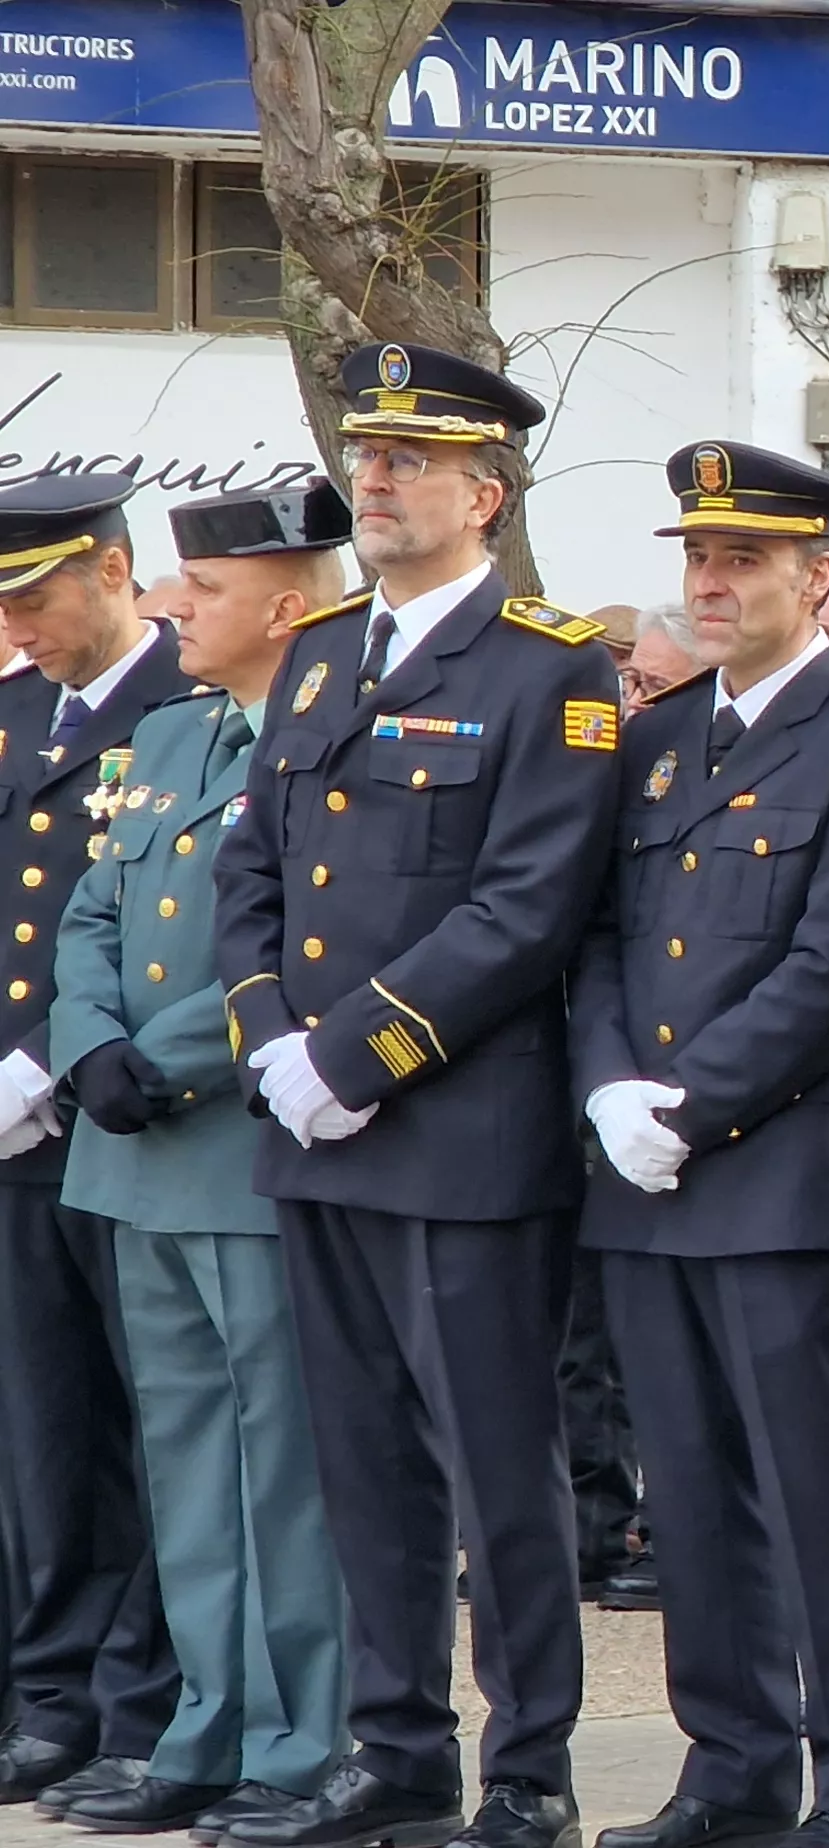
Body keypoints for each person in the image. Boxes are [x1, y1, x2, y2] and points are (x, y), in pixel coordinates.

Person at [211, 341, 617, 1848]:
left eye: (408, 462)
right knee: (362, 1460)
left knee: (495, 1467)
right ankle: (395, 1749)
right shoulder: (321, 653)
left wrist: (353, 1055)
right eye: (366, 458)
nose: (372, 481)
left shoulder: (548, 660)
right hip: (314, 1130)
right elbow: (256, 865)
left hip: (455, 1134)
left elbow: (526, 905)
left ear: (485, 492)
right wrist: (268, 1040)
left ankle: (530, 1768)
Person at [573, 442, 829, 1848]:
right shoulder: (652, 740)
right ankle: (729, 1770)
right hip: (646, 1181)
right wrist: (607, 1091)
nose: (712, 585)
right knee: (693, 1499)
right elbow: (592, 940)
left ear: (817, 577)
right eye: (698, 561)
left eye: (745, 561)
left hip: (779, 1174)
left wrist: (688, 1103)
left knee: (815, 1496)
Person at [14, 477, 288, 1829]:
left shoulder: (292, 726)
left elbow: (288, 935)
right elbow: (83, 918)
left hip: (229, 1136)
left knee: (268, 1467)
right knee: (163, 1458)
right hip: (114, 1140)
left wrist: (150, 1057)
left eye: (213, 593)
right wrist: (82, 1045)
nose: (184, 610)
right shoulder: (162, 737)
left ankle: (274, 1734)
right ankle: (194, 1725)